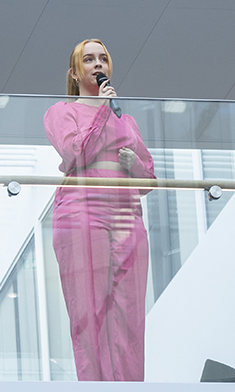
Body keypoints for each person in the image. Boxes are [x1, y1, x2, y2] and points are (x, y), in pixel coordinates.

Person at [43, 39, 155, 381]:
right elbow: (75, 153)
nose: (97, 64)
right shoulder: (62, 111)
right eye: (88, 59)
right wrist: (103, 112)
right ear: (75, 73)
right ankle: (94, 387)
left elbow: (148, 178)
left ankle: (130, 387)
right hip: (83, 213)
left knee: (129, 313)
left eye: (102, 58)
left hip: (126, 216)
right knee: (89, 311)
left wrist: (133, 162)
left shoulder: (128, 120)